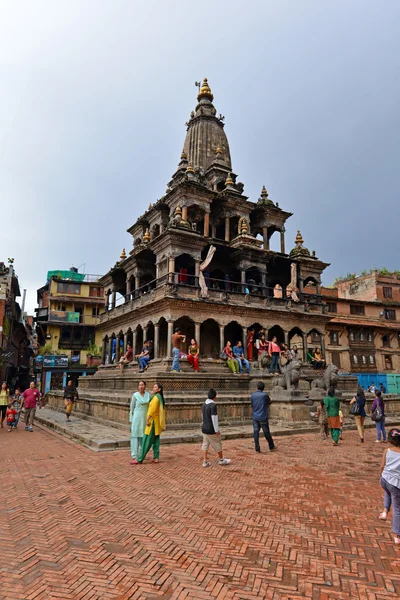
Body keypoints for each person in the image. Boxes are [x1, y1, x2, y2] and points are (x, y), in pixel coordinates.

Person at [379, 428, 400, 545]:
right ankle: (396, 534)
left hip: (385, 479)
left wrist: (381, 477)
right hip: (396, 483)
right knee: (397, 509)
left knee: (387, 492)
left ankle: (385, 511)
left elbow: (382, 466)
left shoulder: (387, 451)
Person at [136, 382, 166, 464]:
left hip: (152, 421)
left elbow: (152, 410)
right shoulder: (159, 397)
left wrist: (147, 420)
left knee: (146, 440)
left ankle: (140, 458)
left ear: (159, 389)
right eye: (153, 387)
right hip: (157, 422)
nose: (153, 388)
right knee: (156, 440)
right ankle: (156, 457)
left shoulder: (156, 398)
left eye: (155, 387)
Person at [201, 388, 231, 467]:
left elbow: (202, 416)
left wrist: (203, 424)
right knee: (217, 444)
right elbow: (214, 418)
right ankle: (221, 459)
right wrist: (216, 430)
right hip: (211, 429)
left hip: (204, 428)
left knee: (205, 444)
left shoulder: (204, 404)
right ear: (214, 397)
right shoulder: (213, 405)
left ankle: (205, 461)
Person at [250, 382, 276, 453]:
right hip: (263, 416)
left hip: (255, 416)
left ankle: (257, 448)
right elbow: (269, 401)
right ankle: (271, 446)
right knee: (266, 432)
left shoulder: (253, 395)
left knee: (256, 432)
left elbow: (252, 405)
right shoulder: (264, 395)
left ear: (257, 387)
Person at [129, 380, 150, 464]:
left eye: (142, 385)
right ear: (138, 387)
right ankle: (134, 455)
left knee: (143, 436)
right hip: (136, 418)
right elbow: (132, 408)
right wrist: (131, 419)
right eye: (139, 385)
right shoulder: (135, 395)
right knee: (135, 436)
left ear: (145, 386)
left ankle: (142, 454)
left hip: (144, 418)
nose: (141, 386)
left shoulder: (148, 395)